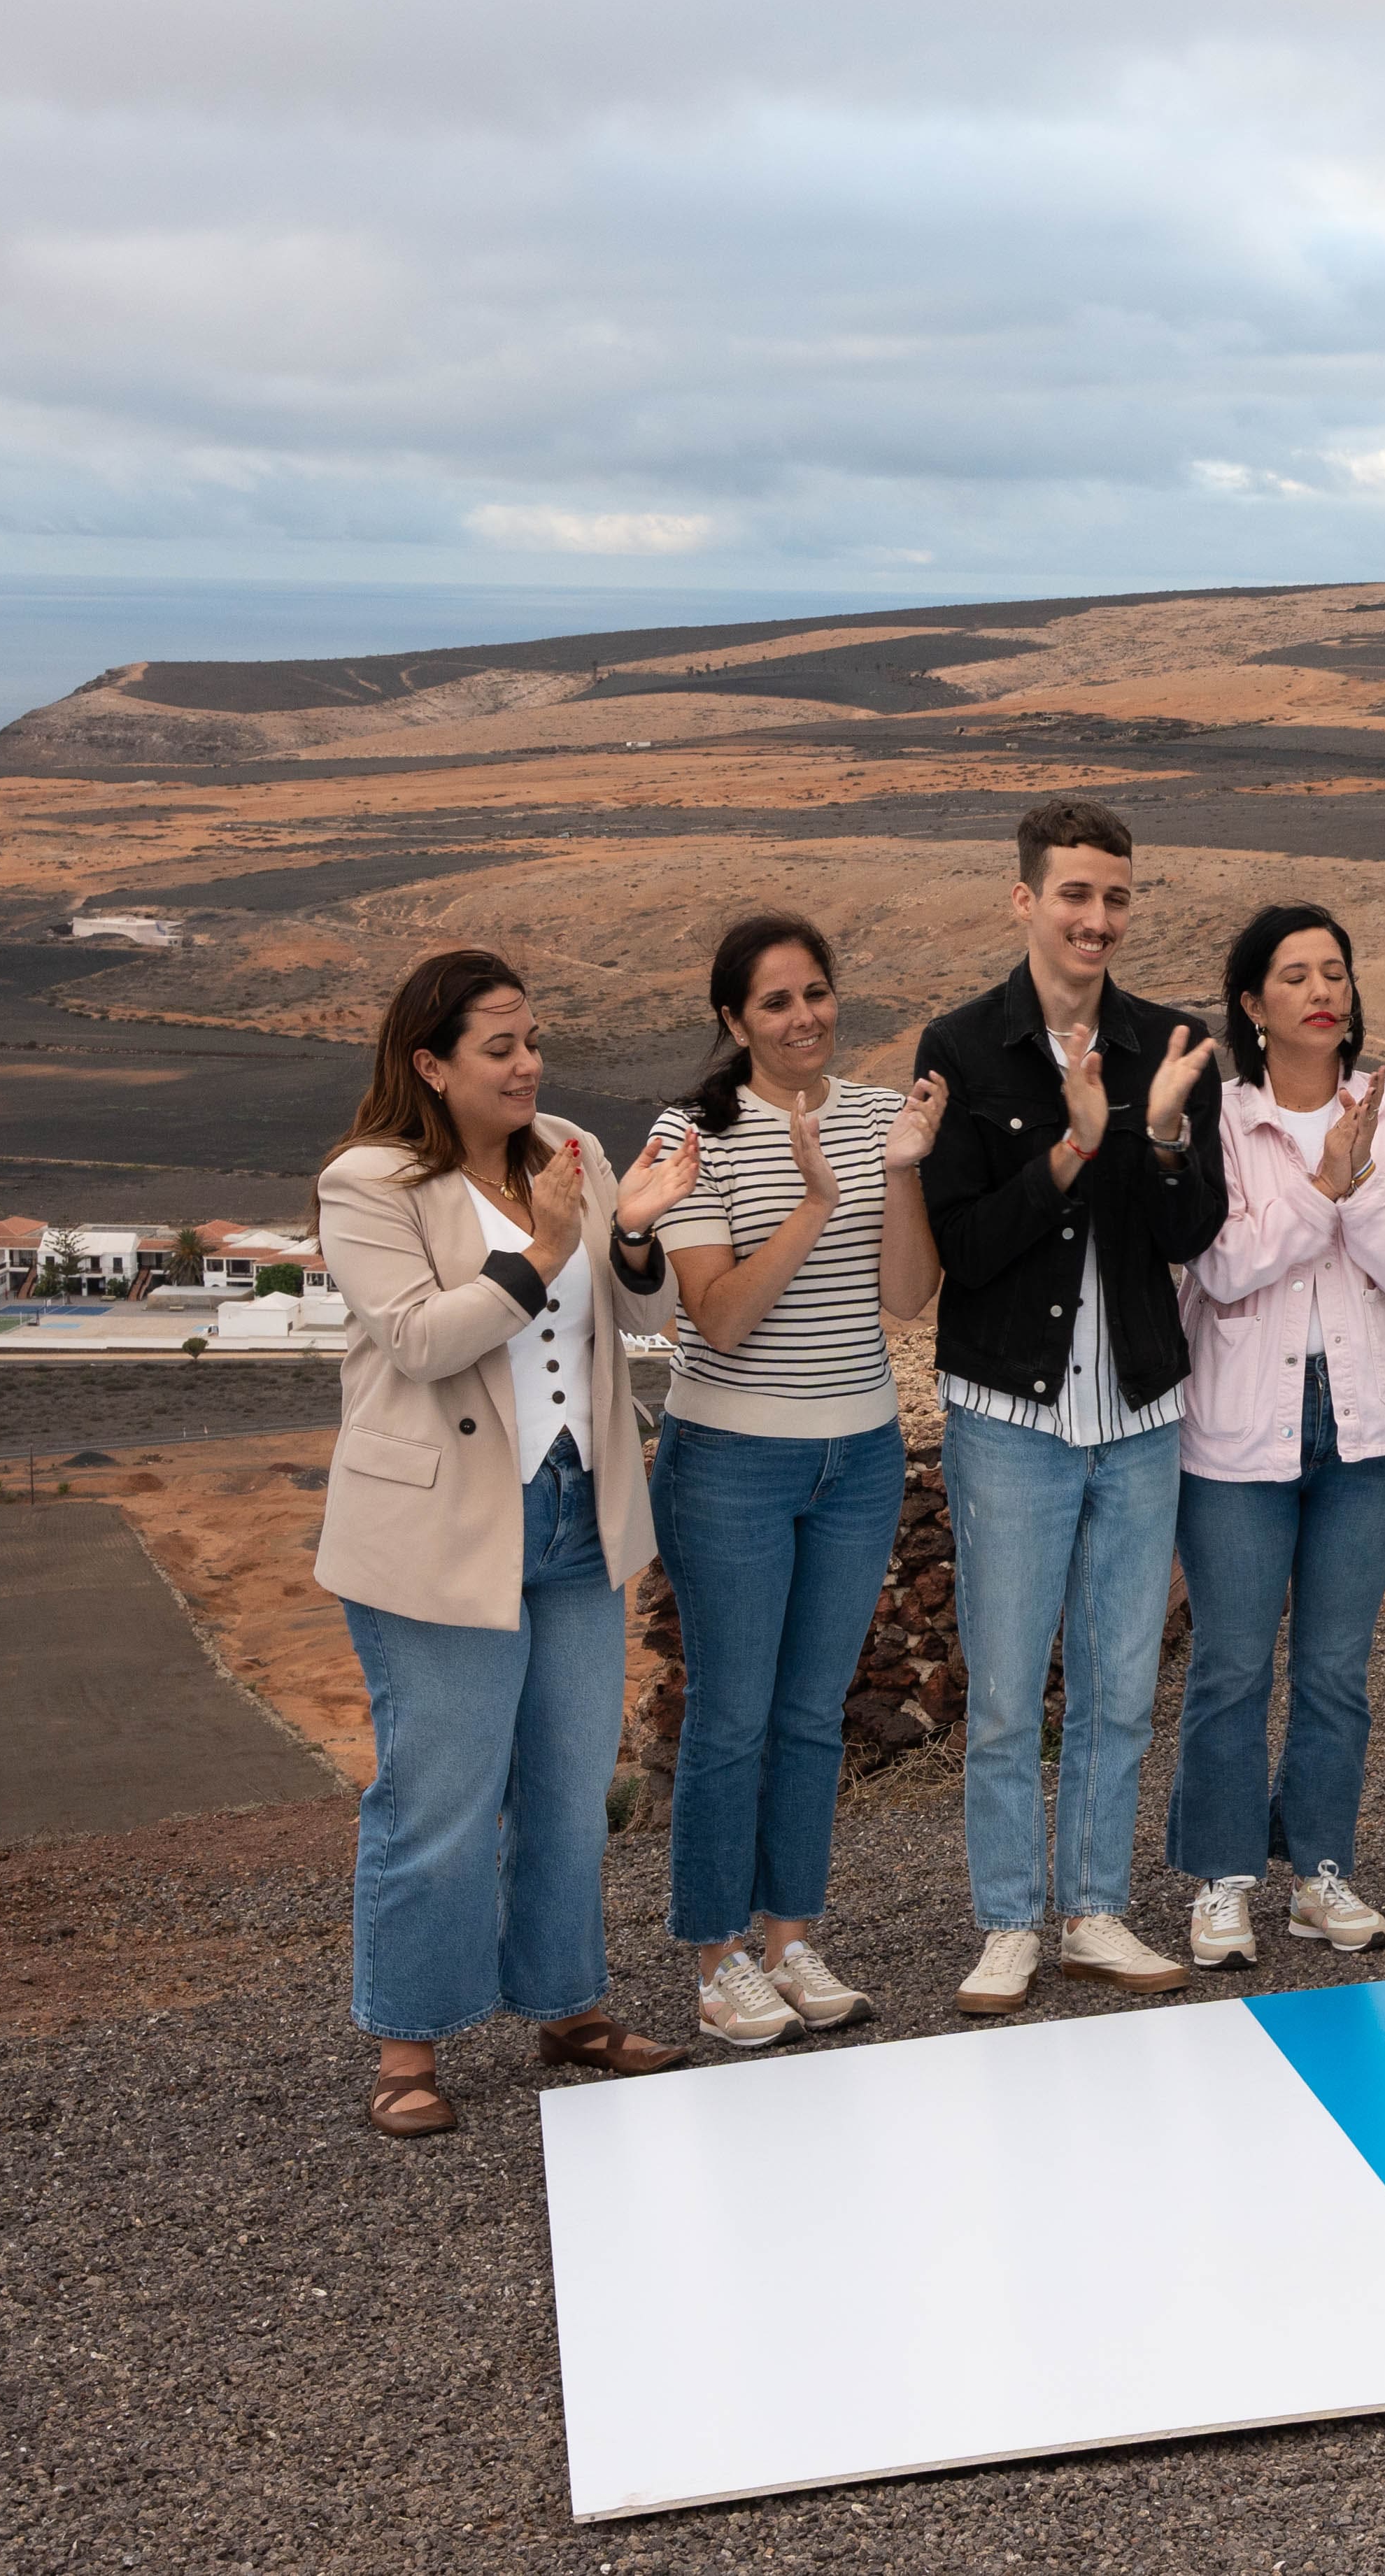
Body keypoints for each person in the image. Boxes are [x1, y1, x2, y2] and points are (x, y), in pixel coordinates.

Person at [312, 948, 697, 2137]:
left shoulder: (567, 1150)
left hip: (577, 1507)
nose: (529, 1064)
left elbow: (641, 1314)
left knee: (573, 1787)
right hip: (436, 1529)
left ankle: (566, 2004)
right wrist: (534, 1253)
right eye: (500, 1047)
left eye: (533, 1041)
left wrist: (629, 1234)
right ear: (430, 1063)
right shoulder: (368, 1183)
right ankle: (408, 2046)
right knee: (438, 1795)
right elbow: (424, 1342)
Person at [915, 799, 1229, 2012]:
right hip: (1010, 1412)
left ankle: (1095, 1912)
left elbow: (1190, 1230)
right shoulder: (961, 1045)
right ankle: (1007, 1923)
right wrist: (1064, 1155)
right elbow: (960, 1250)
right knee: (1003, 1688)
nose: (1097, 919)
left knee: (1118, 1680)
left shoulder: (1170, 1041)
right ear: (1025, 900)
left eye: (1116, 897)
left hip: (1142, 1411)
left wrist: (1153, 1139)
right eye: (1075, 895)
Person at [640, 913, 944, 2049]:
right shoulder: (695, 1131)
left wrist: (900, 1174)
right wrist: (815, 1204)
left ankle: (790, 1941)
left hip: (858, 1454)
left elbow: (908, 1295)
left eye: (816, 992)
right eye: (775, 1001)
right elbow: (715, 1316)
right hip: (731, 1460)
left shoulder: (876, 1118)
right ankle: (719, 1963)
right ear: (734, 1019)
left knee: (812, 1716)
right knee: (732, 1717)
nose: (804, 1016)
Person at [1167, 903, 1385, 1970]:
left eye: (1336, 970)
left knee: (1336, 1666)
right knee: (1232, 1665)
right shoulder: (1219, 1120)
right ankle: (1224, 1879)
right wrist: (1326, 1187)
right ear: (1252, 1002)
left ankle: (1321, 1869)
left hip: (1371, 1439)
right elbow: (1222, 1266)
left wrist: (1357, 1180)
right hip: (1239, 1437)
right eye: (1295, 975)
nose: (1322, 989)